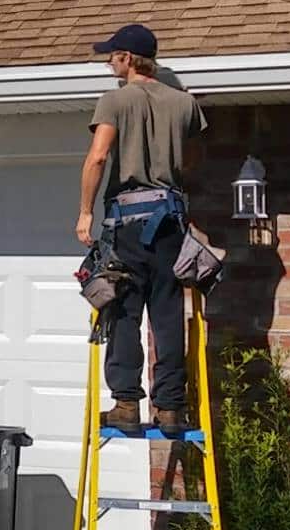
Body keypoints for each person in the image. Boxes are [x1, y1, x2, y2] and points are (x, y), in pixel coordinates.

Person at [75, 23, 206, 432]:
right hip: (169, 222)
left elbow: (98, 158)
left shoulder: (115, 100)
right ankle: (170, 408)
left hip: (128, 224)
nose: (108, 63)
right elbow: (192, 162)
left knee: (125, 311)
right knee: (167, 314)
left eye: (111, 56)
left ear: (128, 59)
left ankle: (127, 405)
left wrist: (85, 212)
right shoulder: (184, 104)